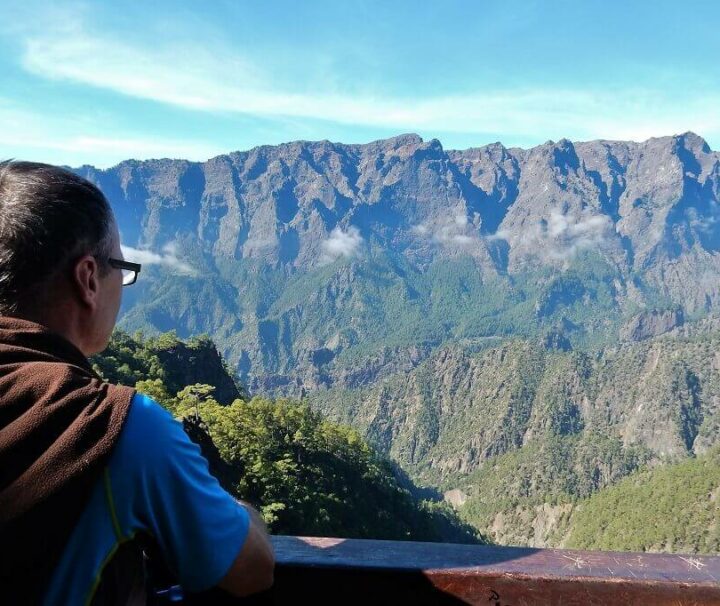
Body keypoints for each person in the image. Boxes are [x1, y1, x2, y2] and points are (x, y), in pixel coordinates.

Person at [0, 160, 274, 605]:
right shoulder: (114, 426)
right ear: (88, 279)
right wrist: (244, 512)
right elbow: (252, 570)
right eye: (121, 267)